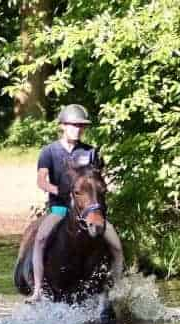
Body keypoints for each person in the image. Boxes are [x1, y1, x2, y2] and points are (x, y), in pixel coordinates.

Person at [28, 104, 125, 302]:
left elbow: (98, 180)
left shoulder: (91, 153)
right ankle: (37, 289)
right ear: (62, 125)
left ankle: (118, 289)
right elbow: (41, 181)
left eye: (81, 126)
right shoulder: (49, 152)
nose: (78, 129)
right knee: (40, 239)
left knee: (116, 246)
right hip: (60, 207)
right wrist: (59, 190)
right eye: (74, 125)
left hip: (89, 210)